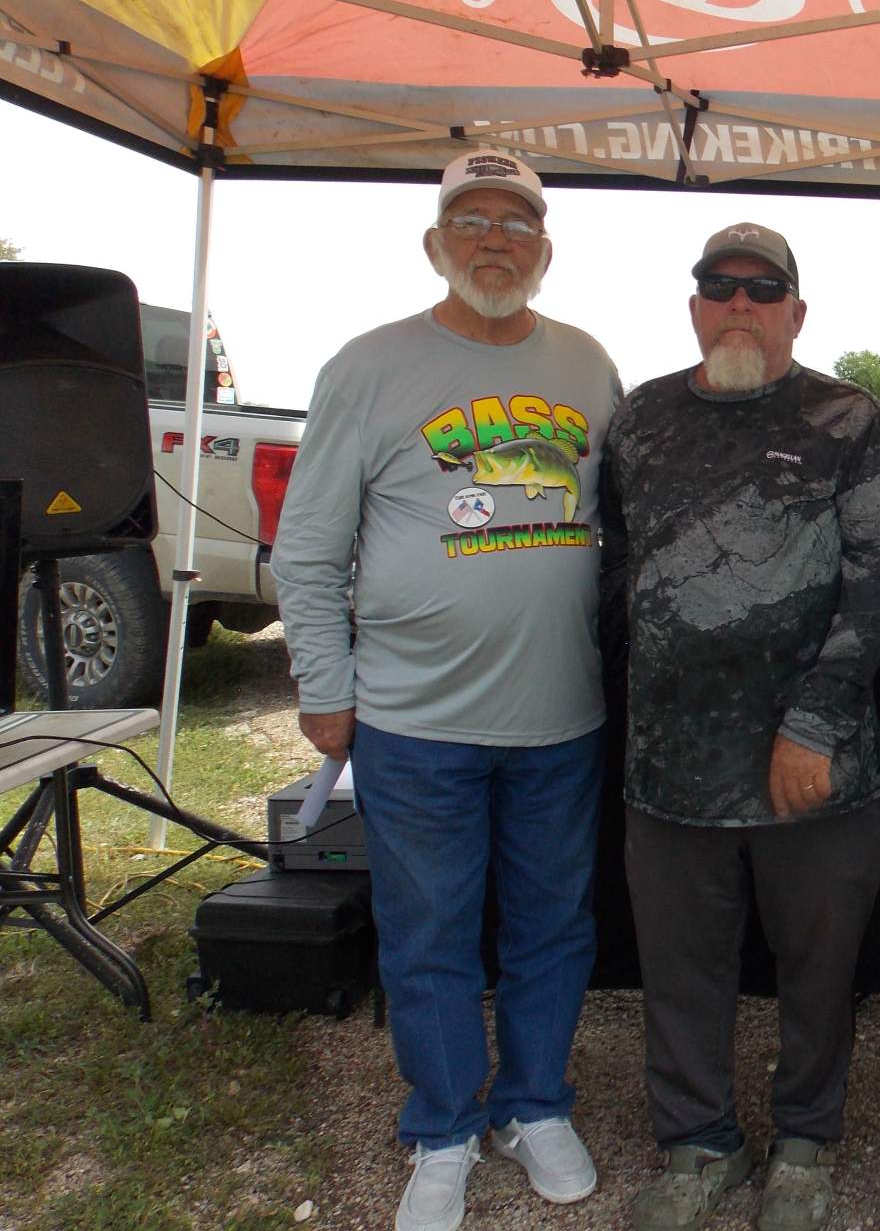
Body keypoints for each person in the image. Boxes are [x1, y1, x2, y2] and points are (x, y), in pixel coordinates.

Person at [274, 150, 621, 1231]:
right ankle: (442, 1125)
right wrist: (325, 684)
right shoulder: (369, 367)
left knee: (553, 925)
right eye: (471, 221)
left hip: (561, 716)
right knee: (427, 929)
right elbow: (308, 549)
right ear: (436, 244)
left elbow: (619, 525)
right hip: (411, 718)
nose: (494, 241)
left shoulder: (588, 364)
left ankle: (533, 1105)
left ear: (545, 252)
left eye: (516, 225)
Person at [603, 222, 880, 1231]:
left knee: (818, 971)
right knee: (681, 970)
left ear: (796, 310)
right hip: (671, 769)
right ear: (695, 305)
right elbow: (614, 566)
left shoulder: (849, 418)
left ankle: (804, 1144)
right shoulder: (641, 419)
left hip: (813, 767)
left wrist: (815, 724)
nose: (739, 304)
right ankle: (697, 1144)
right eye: (718, 286)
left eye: (762, 288)